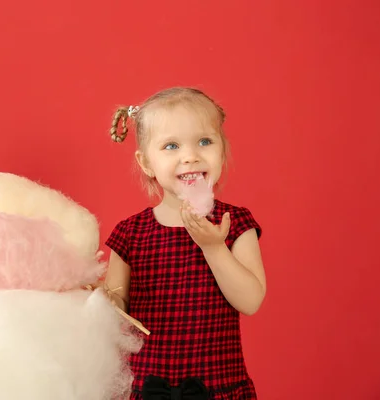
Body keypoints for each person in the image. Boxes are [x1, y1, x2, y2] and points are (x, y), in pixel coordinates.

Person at [103, 87, 266, 400]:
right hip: (148, 390)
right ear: (146, 162)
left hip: (219, 389)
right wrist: (100, 302)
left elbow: (251, 301)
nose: (190, 156)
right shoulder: (130, 233)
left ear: (222, 150)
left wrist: (213, 247)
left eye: (205, 141)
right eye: (171, 146)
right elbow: (119, 311)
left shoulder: (235, 223)